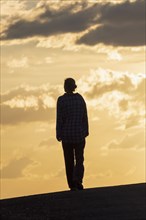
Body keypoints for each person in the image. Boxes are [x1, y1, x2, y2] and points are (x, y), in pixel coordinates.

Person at [56, 78, 89, 191]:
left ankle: (72, 184)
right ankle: (78, 179)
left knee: (68, 161)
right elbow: (85, 116)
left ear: (65, 87)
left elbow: (59, 118)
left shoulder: (61, 100)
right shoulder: (80, 99)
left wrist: (58, 132)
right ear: (74, 87)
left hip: (66, 135)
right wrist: (86, 130)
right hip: (79, 134)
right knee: (79, 160)